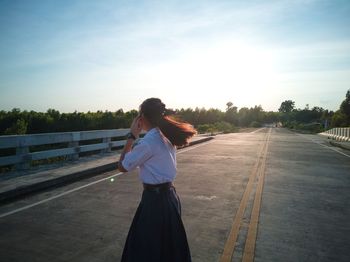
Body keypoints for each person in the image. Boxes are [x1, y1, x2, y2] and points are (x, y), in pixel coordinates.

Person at [118, 98, 196, 262]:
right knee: (169, 248)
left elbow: (123, 166)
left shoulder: (149, 142)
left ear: (143, 117)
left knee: (147, 249)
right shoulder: (165, 136)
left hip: (155, 201)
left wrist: (132, 136)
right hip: (170, 197)